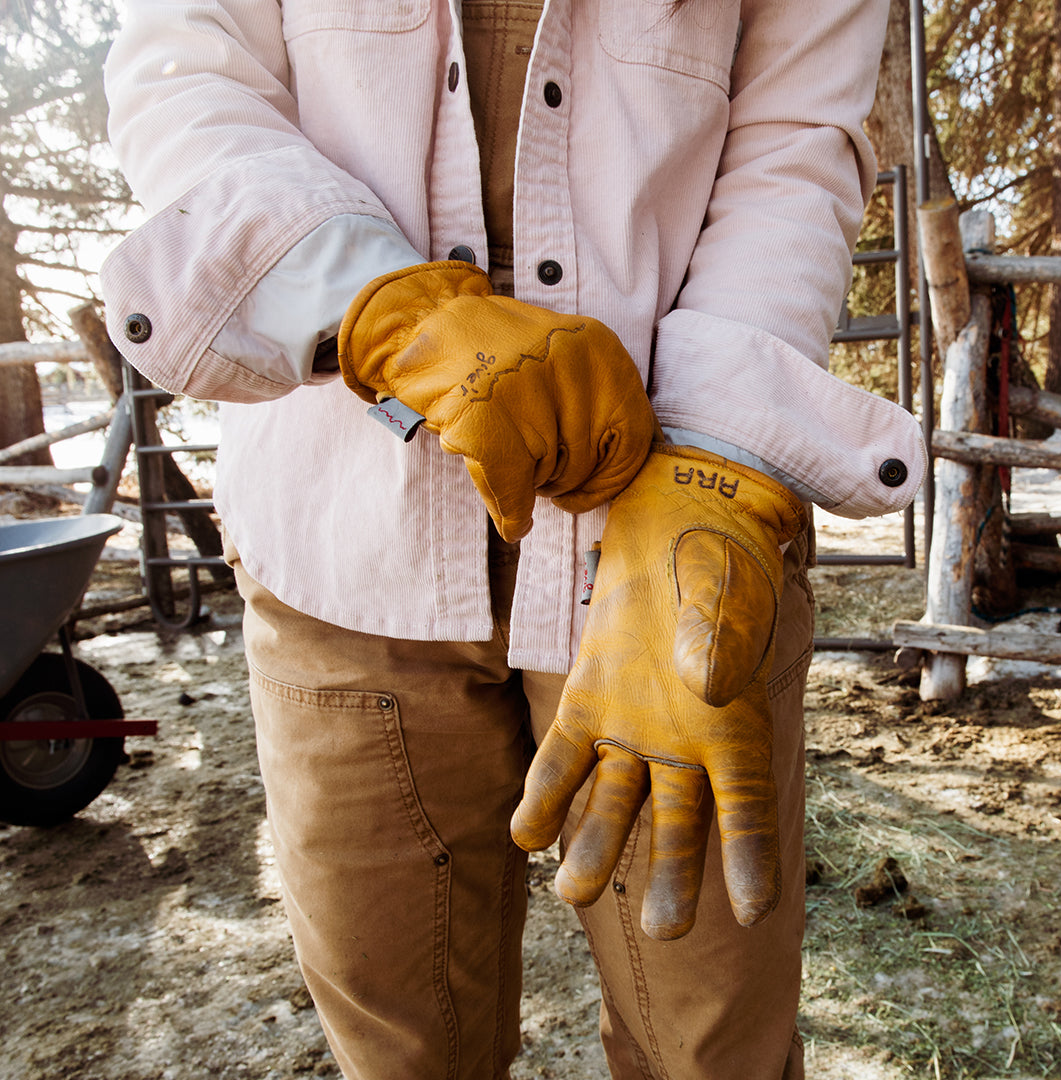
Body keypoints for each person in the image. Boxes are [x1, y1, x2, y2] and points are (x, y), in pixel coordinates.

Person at [100, 0, 926, 1076]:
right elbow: (186, 72)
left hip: (669, 546)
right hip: (342, 549)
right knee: (404, 1051)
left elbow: (794, 145)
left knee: (713, 1050)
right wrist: (378, 303)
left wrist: (714, 468)